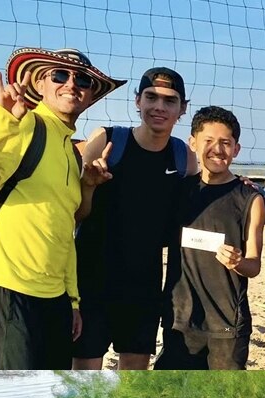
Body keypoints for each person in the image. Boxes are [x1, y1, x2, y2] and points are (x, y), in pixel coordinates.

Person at [0, 48, 125, 369]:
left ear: (90, 96)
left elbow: (66, 226)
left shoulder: (73, 152)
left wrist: (72, 300)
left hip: (54, 299)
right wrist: (3, 118)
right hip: (6, 288)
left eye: (83, 79)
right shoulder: (23, 126)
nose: (72, 83)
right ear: (40, 85)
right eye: (59, 75)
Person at [72, 66, 196, 370]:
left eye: (170, 101)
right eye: (151, 97)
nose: (159, 107)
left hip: (144, 283)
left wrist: (247, 189)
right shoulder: (106, 141)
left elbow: (208, 200)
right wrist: (88, 185)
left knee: (135, 376)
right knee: (85, 372)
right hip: (92, 279)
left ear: (182, 109)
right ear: (137, 100)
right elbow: (75, 214)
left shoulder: (184, 157)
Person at [153, 105, 264, 369]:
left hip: (227, 326)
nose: (217, 149)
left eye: (226, 143)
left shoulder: (250, 198)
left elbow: (254, 266)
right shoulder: (178, 191)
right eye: (209, 141)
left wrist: (238, 262)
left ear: (236, 149)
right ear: (193, 143)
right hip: (180, 319)